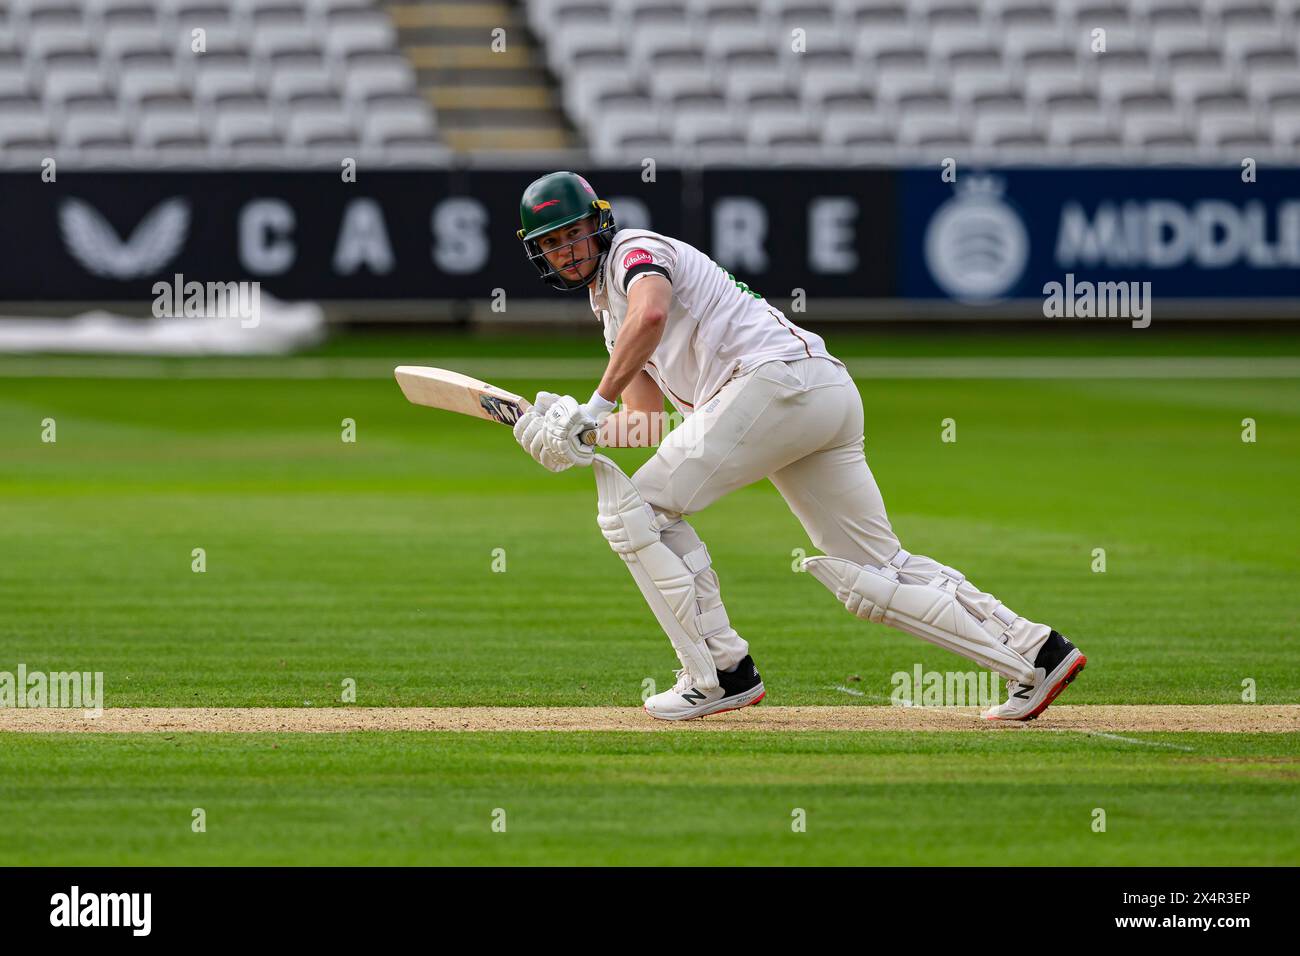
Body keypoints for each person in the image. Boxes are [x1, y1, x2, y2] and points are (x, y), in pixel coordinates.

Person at [511, 171, 1086, 721]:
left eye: (574, 234)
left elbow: (654, 312)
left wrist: (593, 406)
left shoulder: (637, 251)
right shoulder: (612, 318)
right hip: (817, 392)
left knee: (636, 512)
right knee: (876, 569)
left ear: (599, 225)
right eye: (552, 244)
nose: (567, 251)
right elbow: (645, 421)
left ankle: (719, 673)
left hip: (773, 383)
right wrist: (575, 433)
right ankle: (1037, 651)